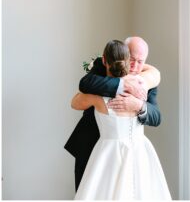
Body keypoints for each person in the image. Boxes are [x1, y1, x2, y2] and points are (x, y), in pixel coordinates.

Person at [72, 40, 171, 200]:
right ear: (124, 54)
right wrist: (122, 84)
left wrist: (139, 105)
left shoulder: (146, 82)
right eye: (132, 59)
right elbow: (84, 84)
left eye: (141, 62)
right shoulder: (101, 67)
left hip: (136, 151)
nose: (135, 66)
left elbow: (156, 117)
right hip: (91, 143)